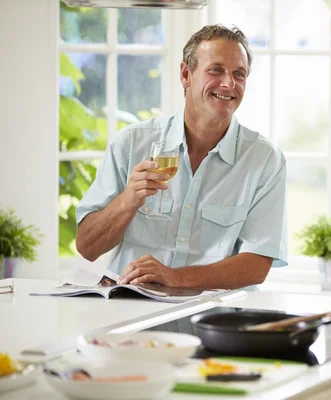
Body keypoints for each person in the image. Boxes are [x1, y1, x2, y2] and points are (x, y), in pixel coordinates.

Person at [75, 25, 287, 290]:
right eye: (216, 70)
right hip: (132, 318)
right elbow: (87, 247)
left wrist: (177, 277)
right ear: (186, 74)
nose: (229, 83)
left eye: (239, 74)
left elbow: (256, 265)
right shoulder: (132, 143)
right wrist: (128, 200)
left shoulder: (265, 160)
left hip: (212, 323)